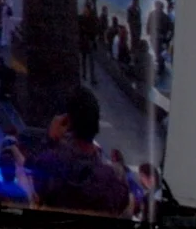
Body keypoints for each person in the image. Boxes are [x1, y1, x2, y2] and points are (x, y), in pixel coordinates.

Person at [27, 88, 131, 216]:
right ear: (96, 124)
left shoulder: (50, 166)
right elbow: (122, 204)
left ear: (68, 122)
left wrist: (51, 140)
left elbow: (36, 177)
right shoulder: (114, 180)